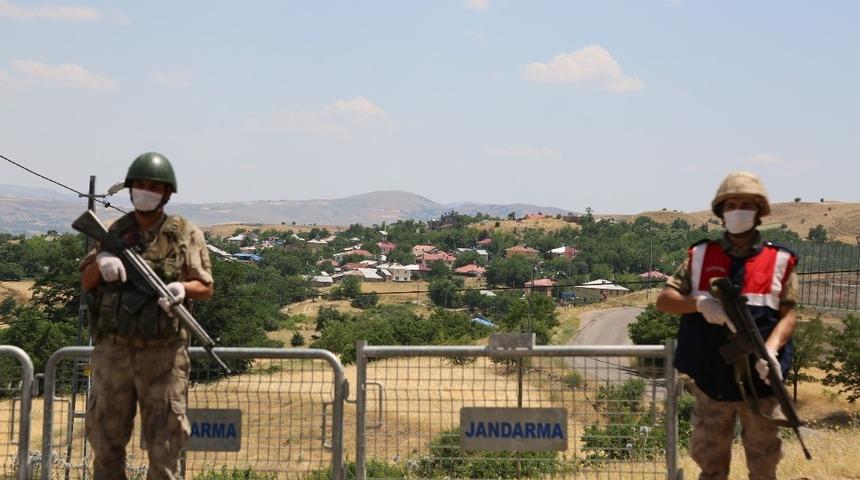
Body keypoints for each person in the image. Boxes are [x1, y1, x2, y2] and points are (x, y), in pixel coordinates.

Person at [656, 171, 798, 480]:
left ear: (759, 211)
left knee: (764, 467)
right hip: (711, 380)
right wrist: (699, 304)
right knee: (711, 466)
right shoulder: (700, 256)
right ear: (721, 212)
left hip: (761, 381)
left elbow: (788, 314)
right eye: (731, 204)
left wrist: (772, 351)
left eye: (746, 204)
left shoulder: (778, 260)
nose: (738, 210)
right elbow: (664, 300)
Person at [80, 152, 214, 480]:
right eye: (139, 185)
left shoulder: (184, 233)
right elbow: (86, 283)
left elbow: (205, 286)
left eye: (153, 186)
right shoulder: (115, 231)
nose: (145, 191)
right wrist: (103, 262)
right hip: (114, 354)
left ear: (167, 193)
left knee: (166, 447)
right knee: (106, 444)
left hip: (164, 357)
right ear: (129, 190)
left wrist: (181, 290)